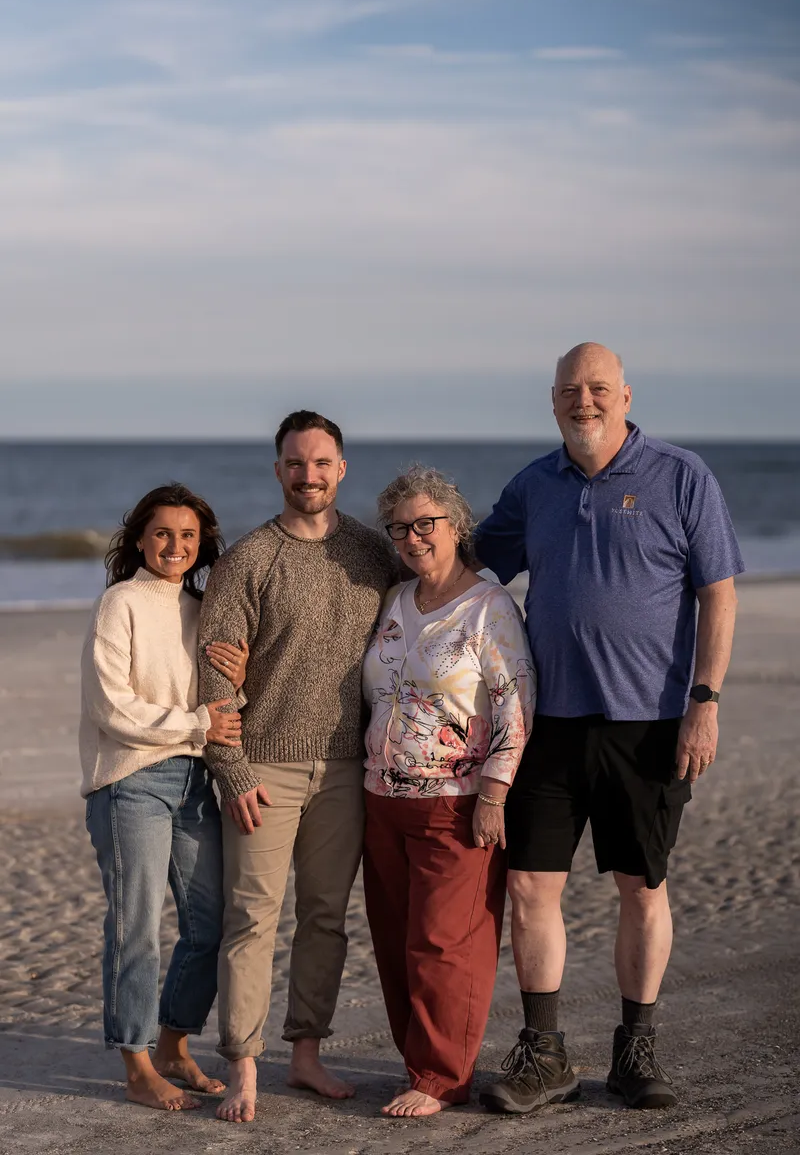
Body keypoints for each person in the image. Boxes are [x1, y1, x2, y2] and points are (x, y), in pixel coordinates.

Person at [474, 343, 743, 1114]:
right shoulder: (534, 486)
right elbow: (467, 565)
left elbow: (717, 594)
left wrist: (706, 701)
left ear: (625, 395)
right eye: (570, 390)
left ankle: (636, 1050)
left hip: (651, 725)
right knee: (530, 887)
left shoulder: (681, 476)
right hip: (548, 724)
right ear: (552, 400)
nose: (583, 402)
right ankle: (546, 1054)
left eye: (598, 389)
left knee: (642, 888)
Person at [198, 410, 398, 1124]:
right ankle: (243, 1066)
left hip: (348, 768)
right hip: (264, 772)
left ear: (341, 469)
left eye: (321, 463)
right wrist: (233, 770)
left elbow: (429, 606)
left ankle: (306, 1054)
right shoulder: (250, 559)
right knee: (252, 918)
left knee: (324, 918)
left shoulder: (374, 555)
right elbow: (216, 672)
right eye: (295, 463)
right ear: (277, 470)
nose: (308, 475)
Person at [362, 466, 535, 1118]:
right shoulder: (395, 600)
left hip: (456, 801)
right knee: (395, 939)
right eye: (400, 528)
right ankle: (419, 1063)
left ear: (457, 526)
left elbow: (516, 702)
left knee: (443, 942)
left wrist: (495, 791)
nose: (413, 537)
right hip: (380, 800)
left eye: (425, 523)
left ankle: (441, 1077)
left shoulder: (489, 608)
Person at [81, 483, 249, 1111]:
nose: (175, 545)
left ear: (203, 542)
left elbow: (221, 699)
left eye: (188, 535)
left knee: (212, 925)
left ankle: (174, 1044)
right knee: (137, 928)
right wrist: (198, 725)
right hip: (131, 781)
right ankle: (135, 1061)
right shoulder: (118, 603)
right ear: (139, 540)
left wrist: (240, 673)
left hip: (195, 780)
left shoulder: (205, 608)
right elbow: (110, 706)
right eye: (161, 533)